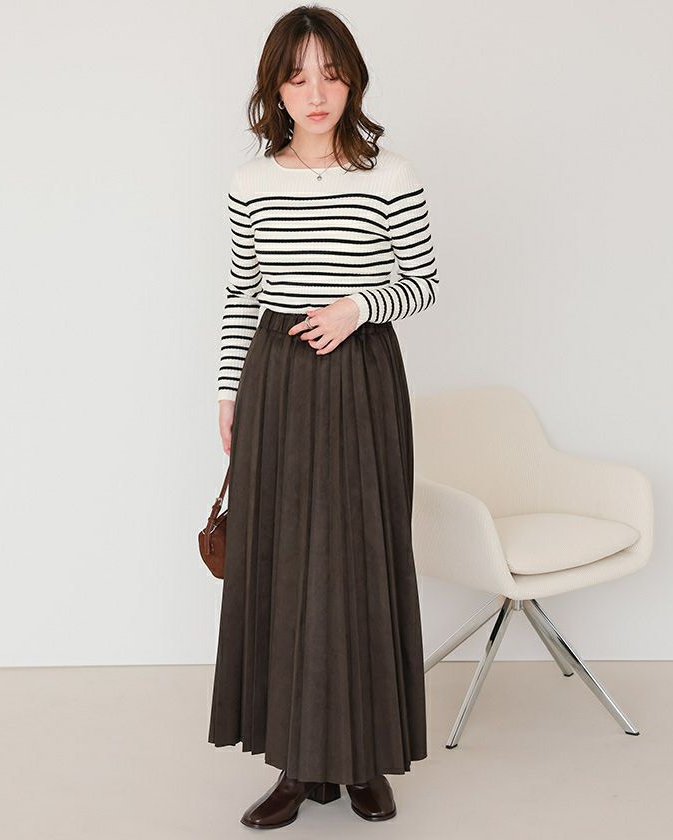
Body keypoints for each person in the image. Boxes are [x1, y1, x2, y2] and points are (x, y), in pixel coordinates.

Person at [208, 5, 439, 830]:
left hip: (363, 376)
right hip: (276, 378)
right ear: (275, 87)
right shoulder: (250, 182)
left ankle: (365, 759)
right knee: (283, 564)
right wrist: (228, 392)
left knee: (361, 559)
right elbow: (242, 291)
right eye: (298, 76)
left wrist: (357, 307)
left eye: (332, 75)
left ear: (353, 82)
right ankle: (296, 766)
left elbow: (423, 281)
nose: (316, 93)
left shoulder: (391, 174)